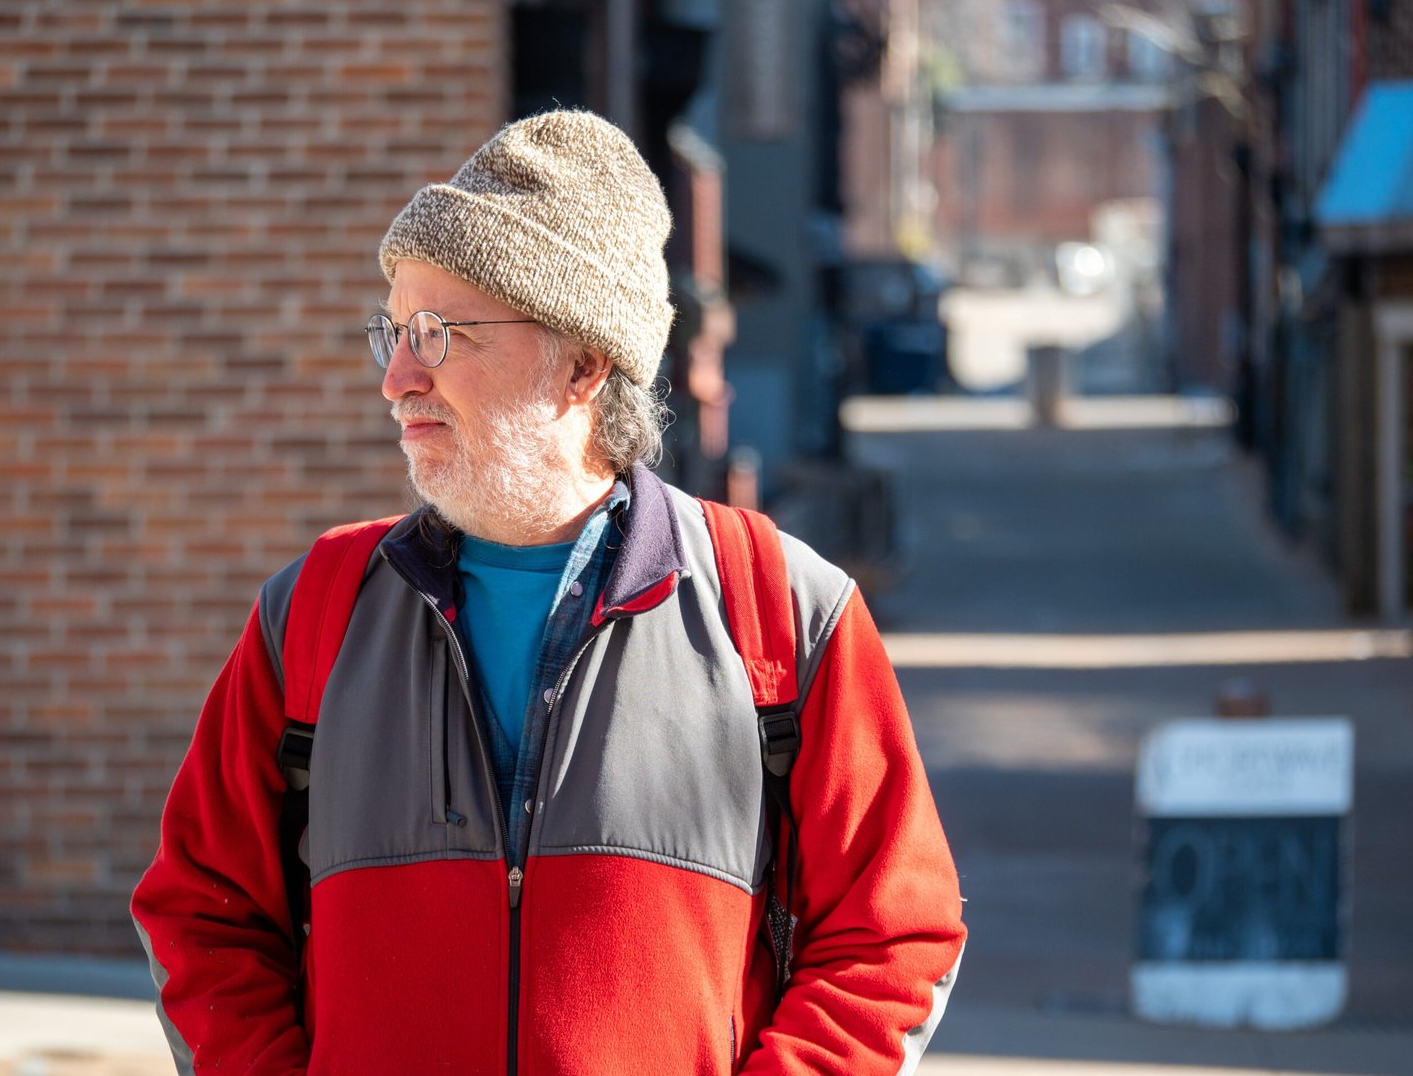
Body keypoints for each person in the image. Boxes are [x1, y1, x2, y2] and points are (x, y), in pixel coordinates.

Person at [132, 109, 966, 1074]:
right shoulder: (314, 612)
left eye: (438, 334)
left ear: (583, 364)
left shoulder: (783, 609)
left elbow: (892, 937)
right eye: (393, 331)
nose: (397, 378)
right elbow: (202, 914)